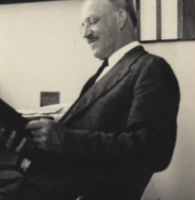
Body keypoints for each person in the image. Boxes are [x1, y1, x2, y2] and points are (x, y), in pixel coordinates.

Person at [0, 0, 180, 199]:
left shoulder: (150, 67)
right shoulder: (101, 74)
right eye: (82, 25)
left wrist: (65, 139)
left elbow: (154, 150)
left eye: (92, 21)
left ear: (121, 19)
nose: (85, 34)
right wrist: (32, 147)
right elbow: (77, 153)